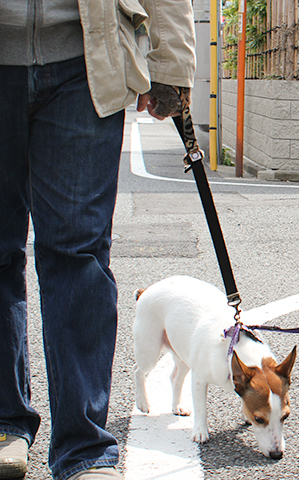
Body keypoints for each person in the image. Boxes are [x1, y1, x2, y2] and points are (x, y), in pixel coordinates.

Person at [0, 1, 196, 479]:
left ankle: (84, 449)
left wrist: (170, 61)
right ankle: (5, 423)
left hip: (89, 59)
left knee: (78, 255)